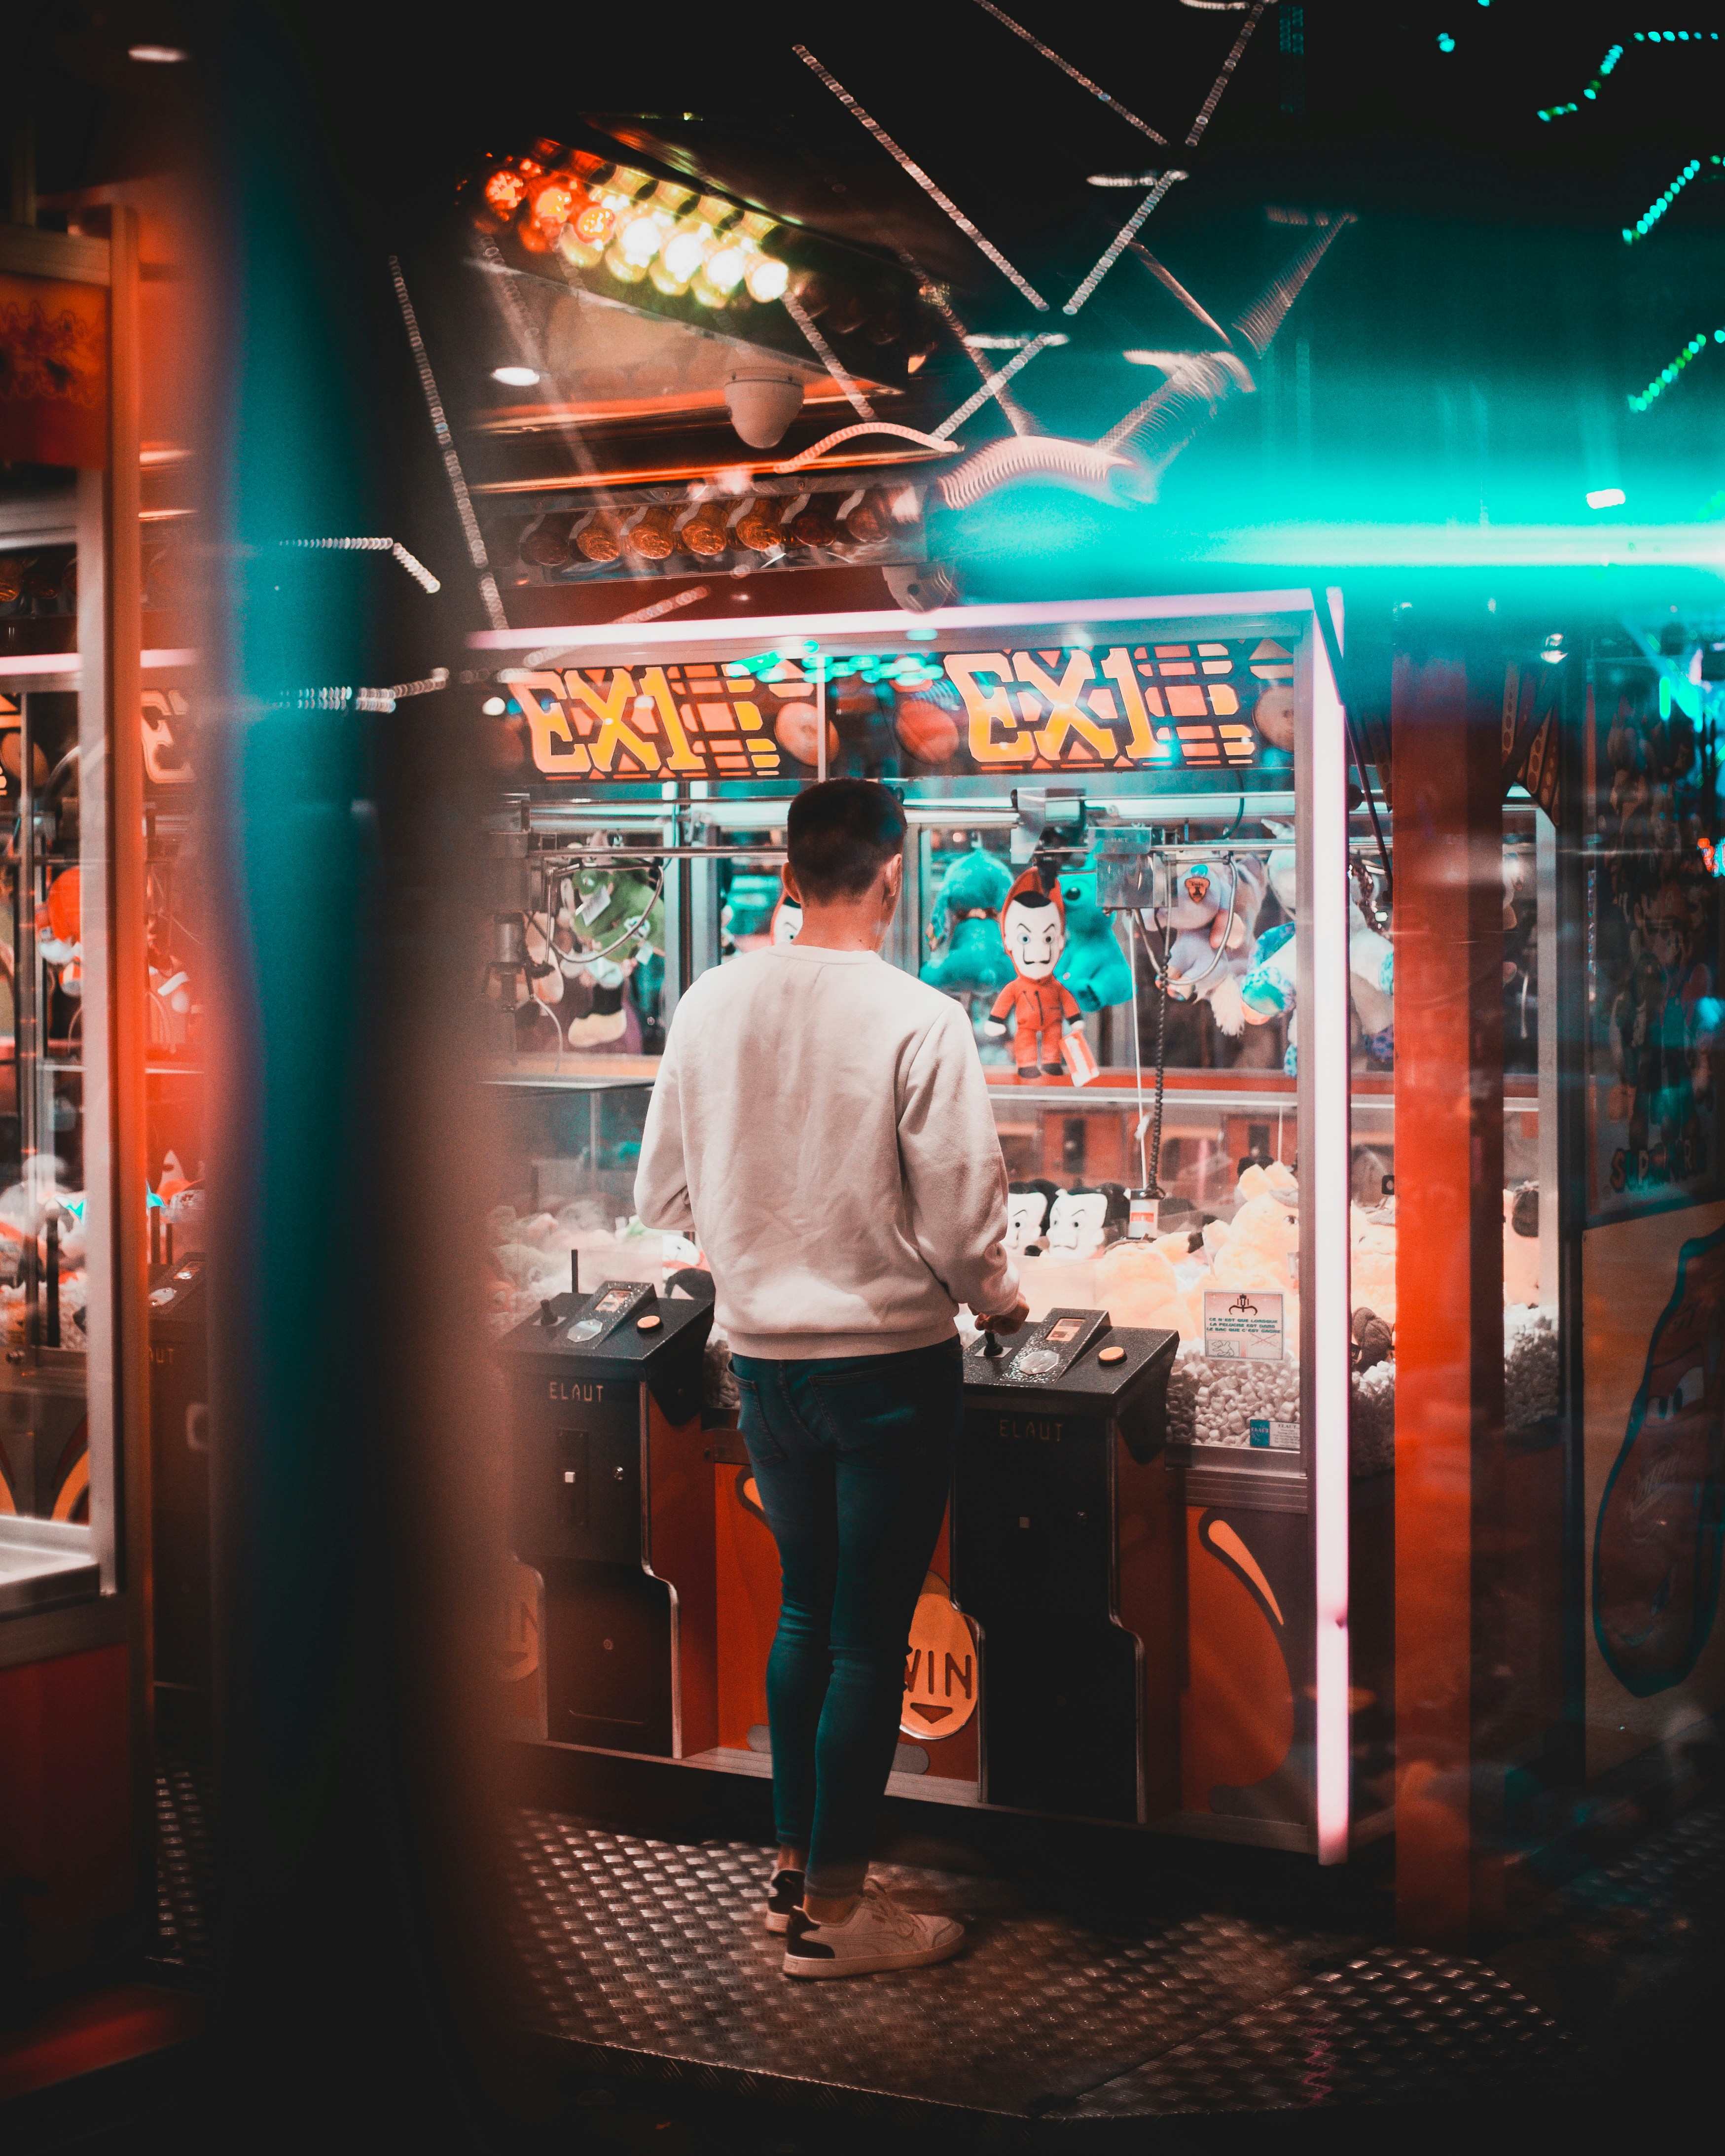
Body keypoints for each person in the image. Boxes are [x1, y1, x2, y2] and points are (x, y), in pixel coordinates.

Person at [635, 779, 1028, 1978]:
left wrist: (763, 1245)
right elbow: (966, 1225)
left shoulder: (709, 1005)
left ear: (787, 870)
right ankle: (842, 1918)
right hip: (890, 1370)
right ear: (894, 873)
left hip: (763, 1367)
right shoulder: (920, 1018)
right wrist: (1005, 1304)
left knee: (807, 1612)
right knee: (866, 1635)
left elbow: (661, 1196)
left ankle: (795, 1876)